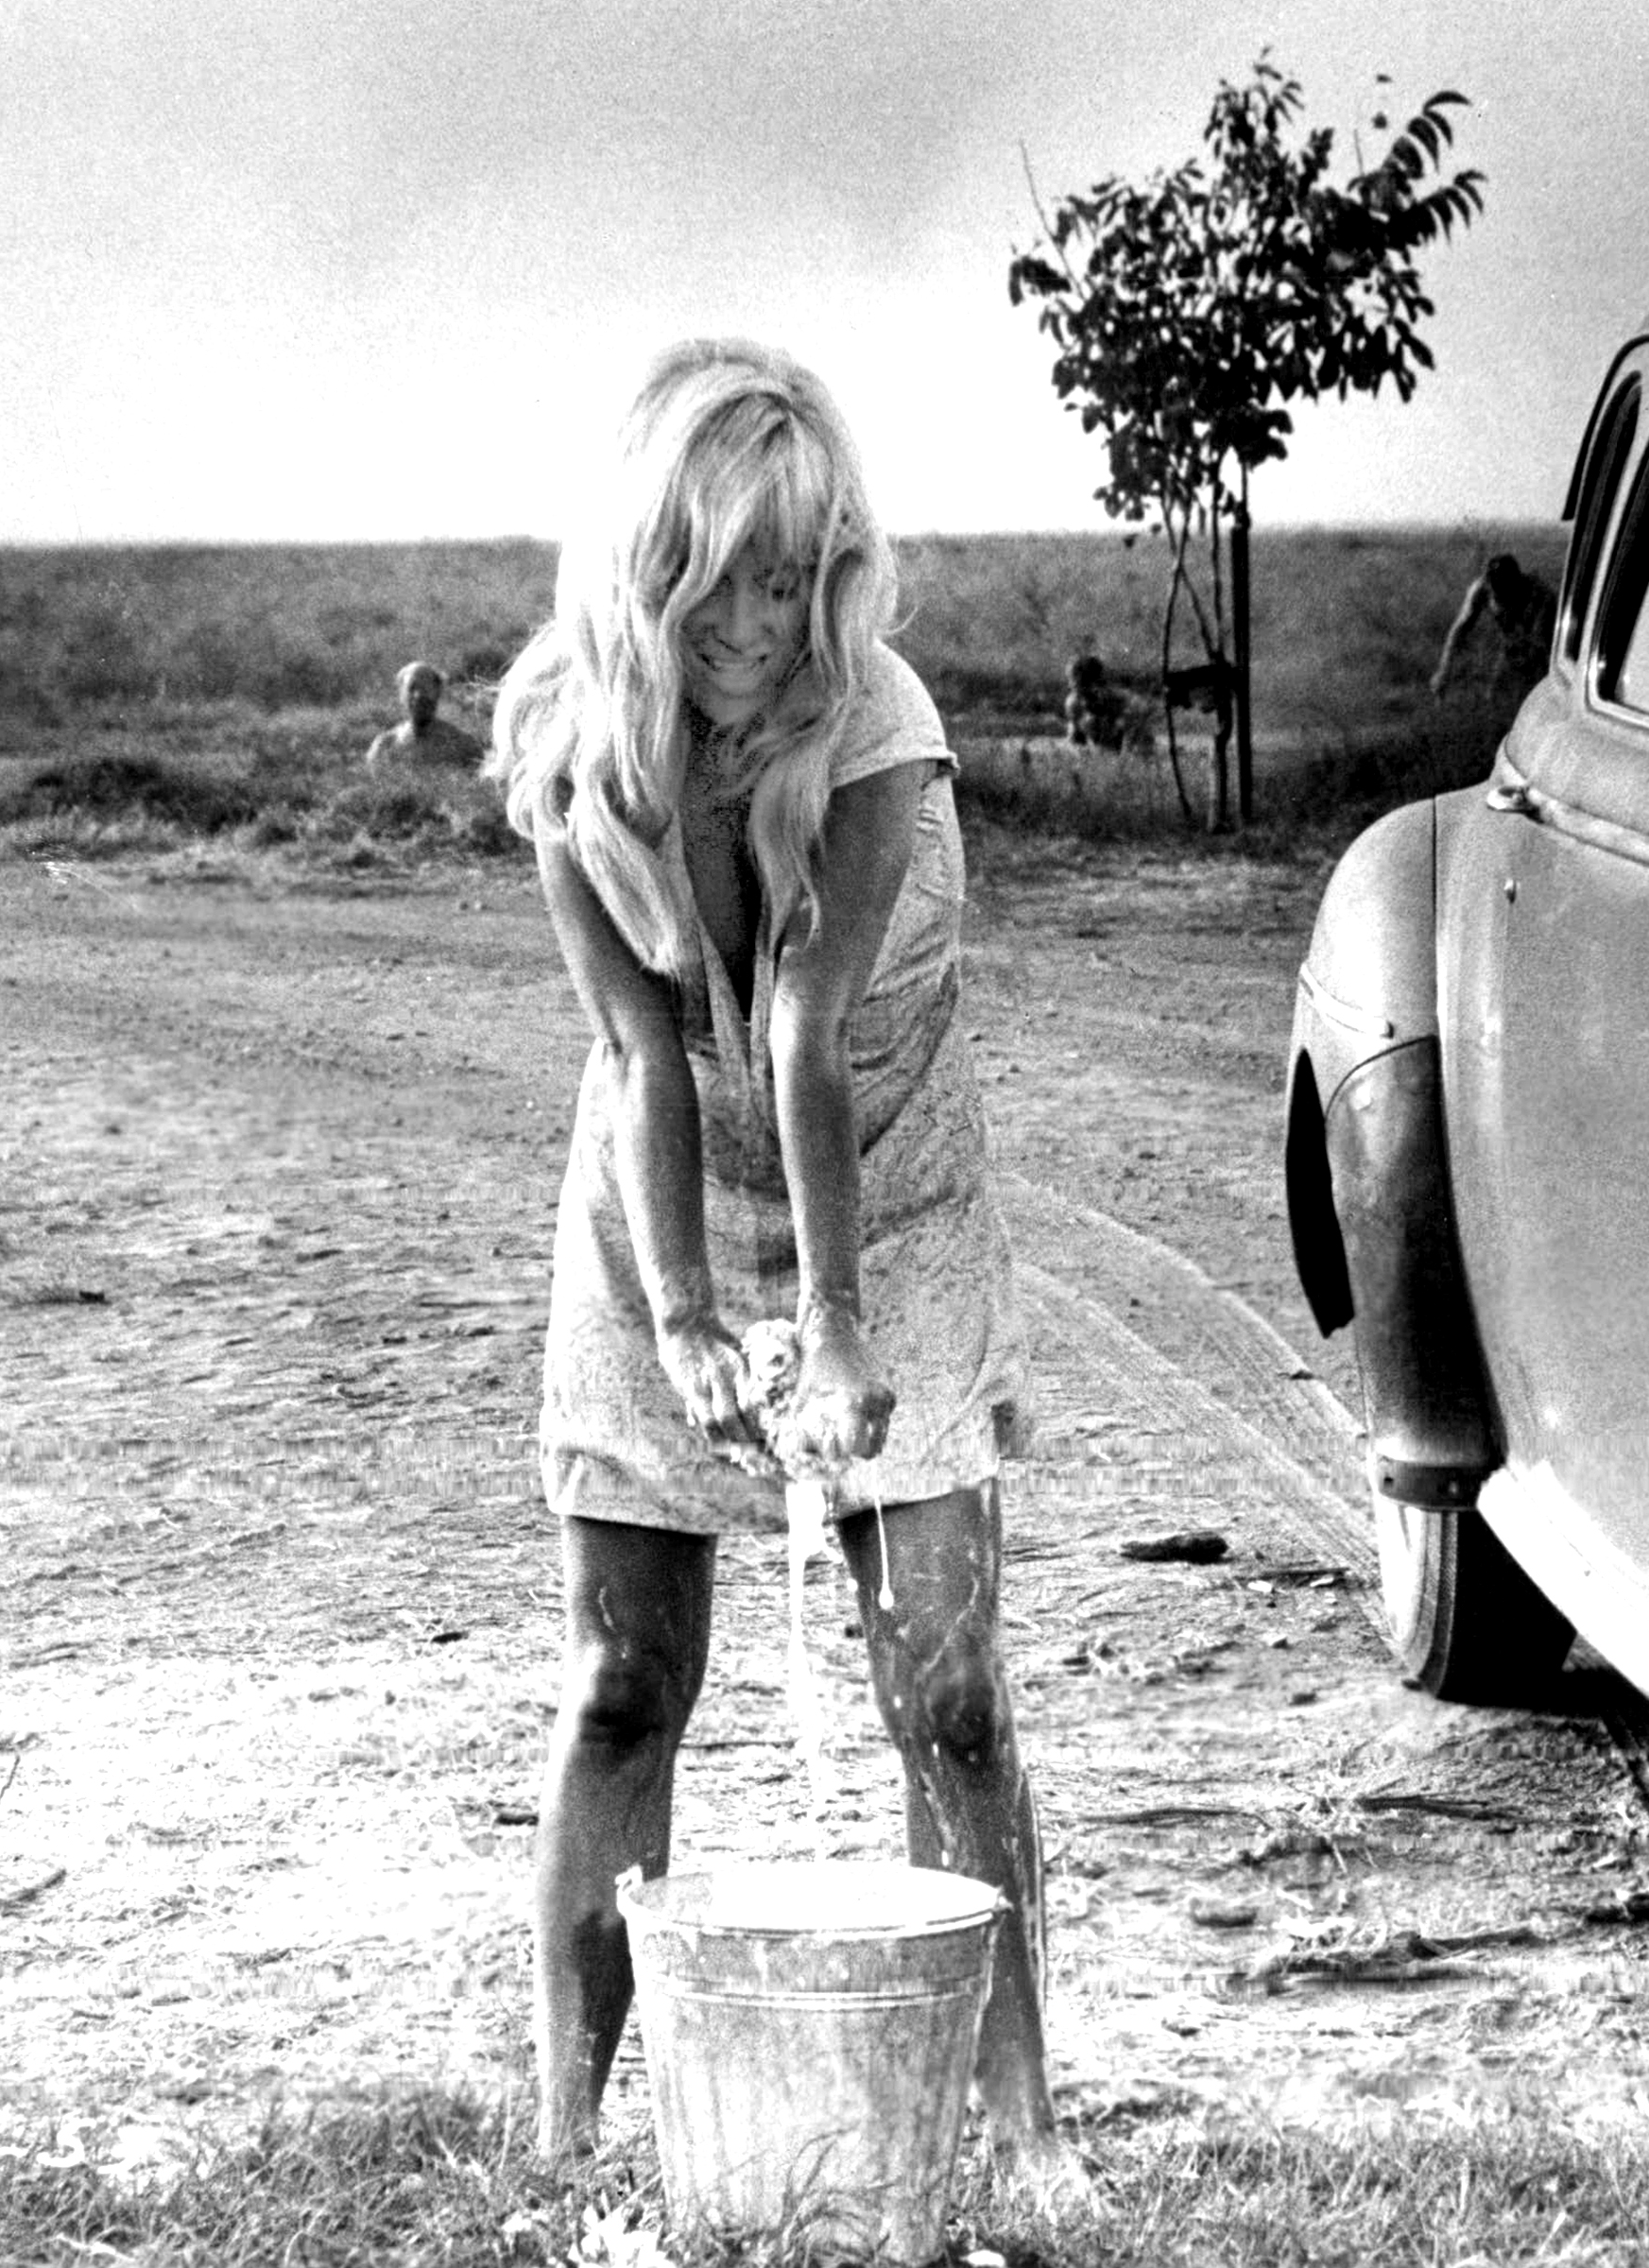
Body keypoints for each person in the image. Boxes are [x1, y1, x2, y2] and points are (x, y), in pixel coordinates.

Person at [488, 339, 1062, 2173]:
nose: (769, 616)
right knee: (624, 1683)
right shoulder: (570, 745)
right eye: (734, 568)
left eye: (808, 571)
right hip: (654, 1190)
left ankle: (1018, 2128)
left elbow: (807, 1035)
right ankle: (575, 2137)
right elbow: (646, 1052)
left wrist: (826, 1327)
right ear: (655, 556)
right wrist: (678, 1318)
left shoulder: (875, 728)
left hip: (888, 1193)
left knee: (946, 1690)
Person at [1429, 549, 1555, 698]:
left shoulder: (1540, 594)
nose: (1499, 596)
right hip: (1514, 643)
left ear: (1516, 582)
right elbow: (1460, 630)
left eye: (1504, 590)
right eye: (1494, 589)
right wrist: (1444, 671)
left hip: (1547, 645)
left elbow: (1541, 643)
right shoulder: (1481, 589)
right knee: (1496, 696)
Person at [365, 661, 487, 769]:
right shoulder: (385, 747)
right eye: (412, 688)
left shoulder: (463, 747)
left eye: (425, 688)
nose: (418, 696)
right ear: (401, 695)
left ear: (438, 692)